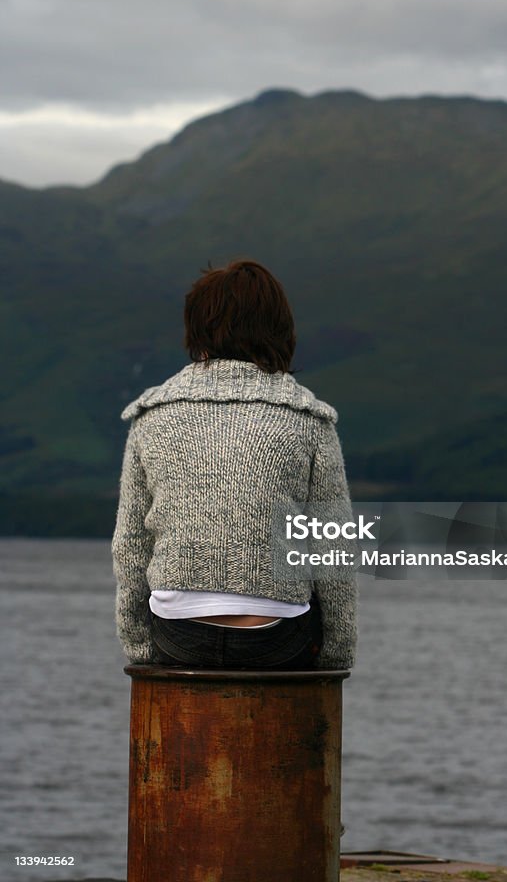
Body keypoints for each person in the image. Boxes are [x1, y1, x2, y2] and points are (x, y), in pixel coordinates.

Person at [111, 258, 357, 670]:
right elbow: (333, 552)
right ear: (279, 330)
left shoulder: (152, 415)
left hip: (178, 632)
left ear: (197, 329)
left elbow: (131, 545)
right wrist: (336, 654)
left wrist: (139, 647)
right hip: (277, 636)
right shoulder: (309, 420)